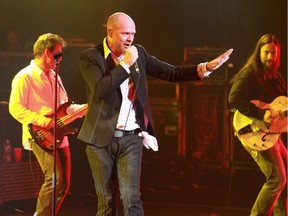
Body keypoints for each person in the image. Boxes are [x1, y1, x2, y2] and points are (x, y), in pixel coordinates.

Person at [77, 12, 233, 216]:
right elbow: (100, 89)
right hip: (99, 140)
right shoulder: (91, 57)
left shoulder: (138, 52)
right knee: (106, 203)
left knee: (131, 199)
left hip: (131, 138)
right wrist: (125, 66)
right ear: (110, 32)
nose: (130, 39)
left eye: (132, 34)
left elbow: (172, 72)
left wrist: (204, 68)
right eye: (125, 33)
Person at [9, 33, 87, 216]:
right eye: (58, 54)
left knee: (65, 183)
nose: (60, 58)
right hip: (39, 134)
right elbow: (15, 108)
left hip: (60, 134)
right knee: (54, 179)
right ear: (46, 52)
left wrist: (86, 108)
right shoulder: (24, 77)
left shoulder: (55, 77)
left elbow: (64, 107)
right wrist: (44, 121)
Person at [229, 33, 287, 215]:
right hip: (252, 130)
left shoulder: (275, 78)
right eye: (266, 53)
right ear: (259, 53)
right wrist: (261, 114)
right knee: (277, 178)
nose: (270, 57)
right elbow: (234, 98)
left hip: (270, 133)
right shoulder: (250, 73)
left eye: (273, 54)